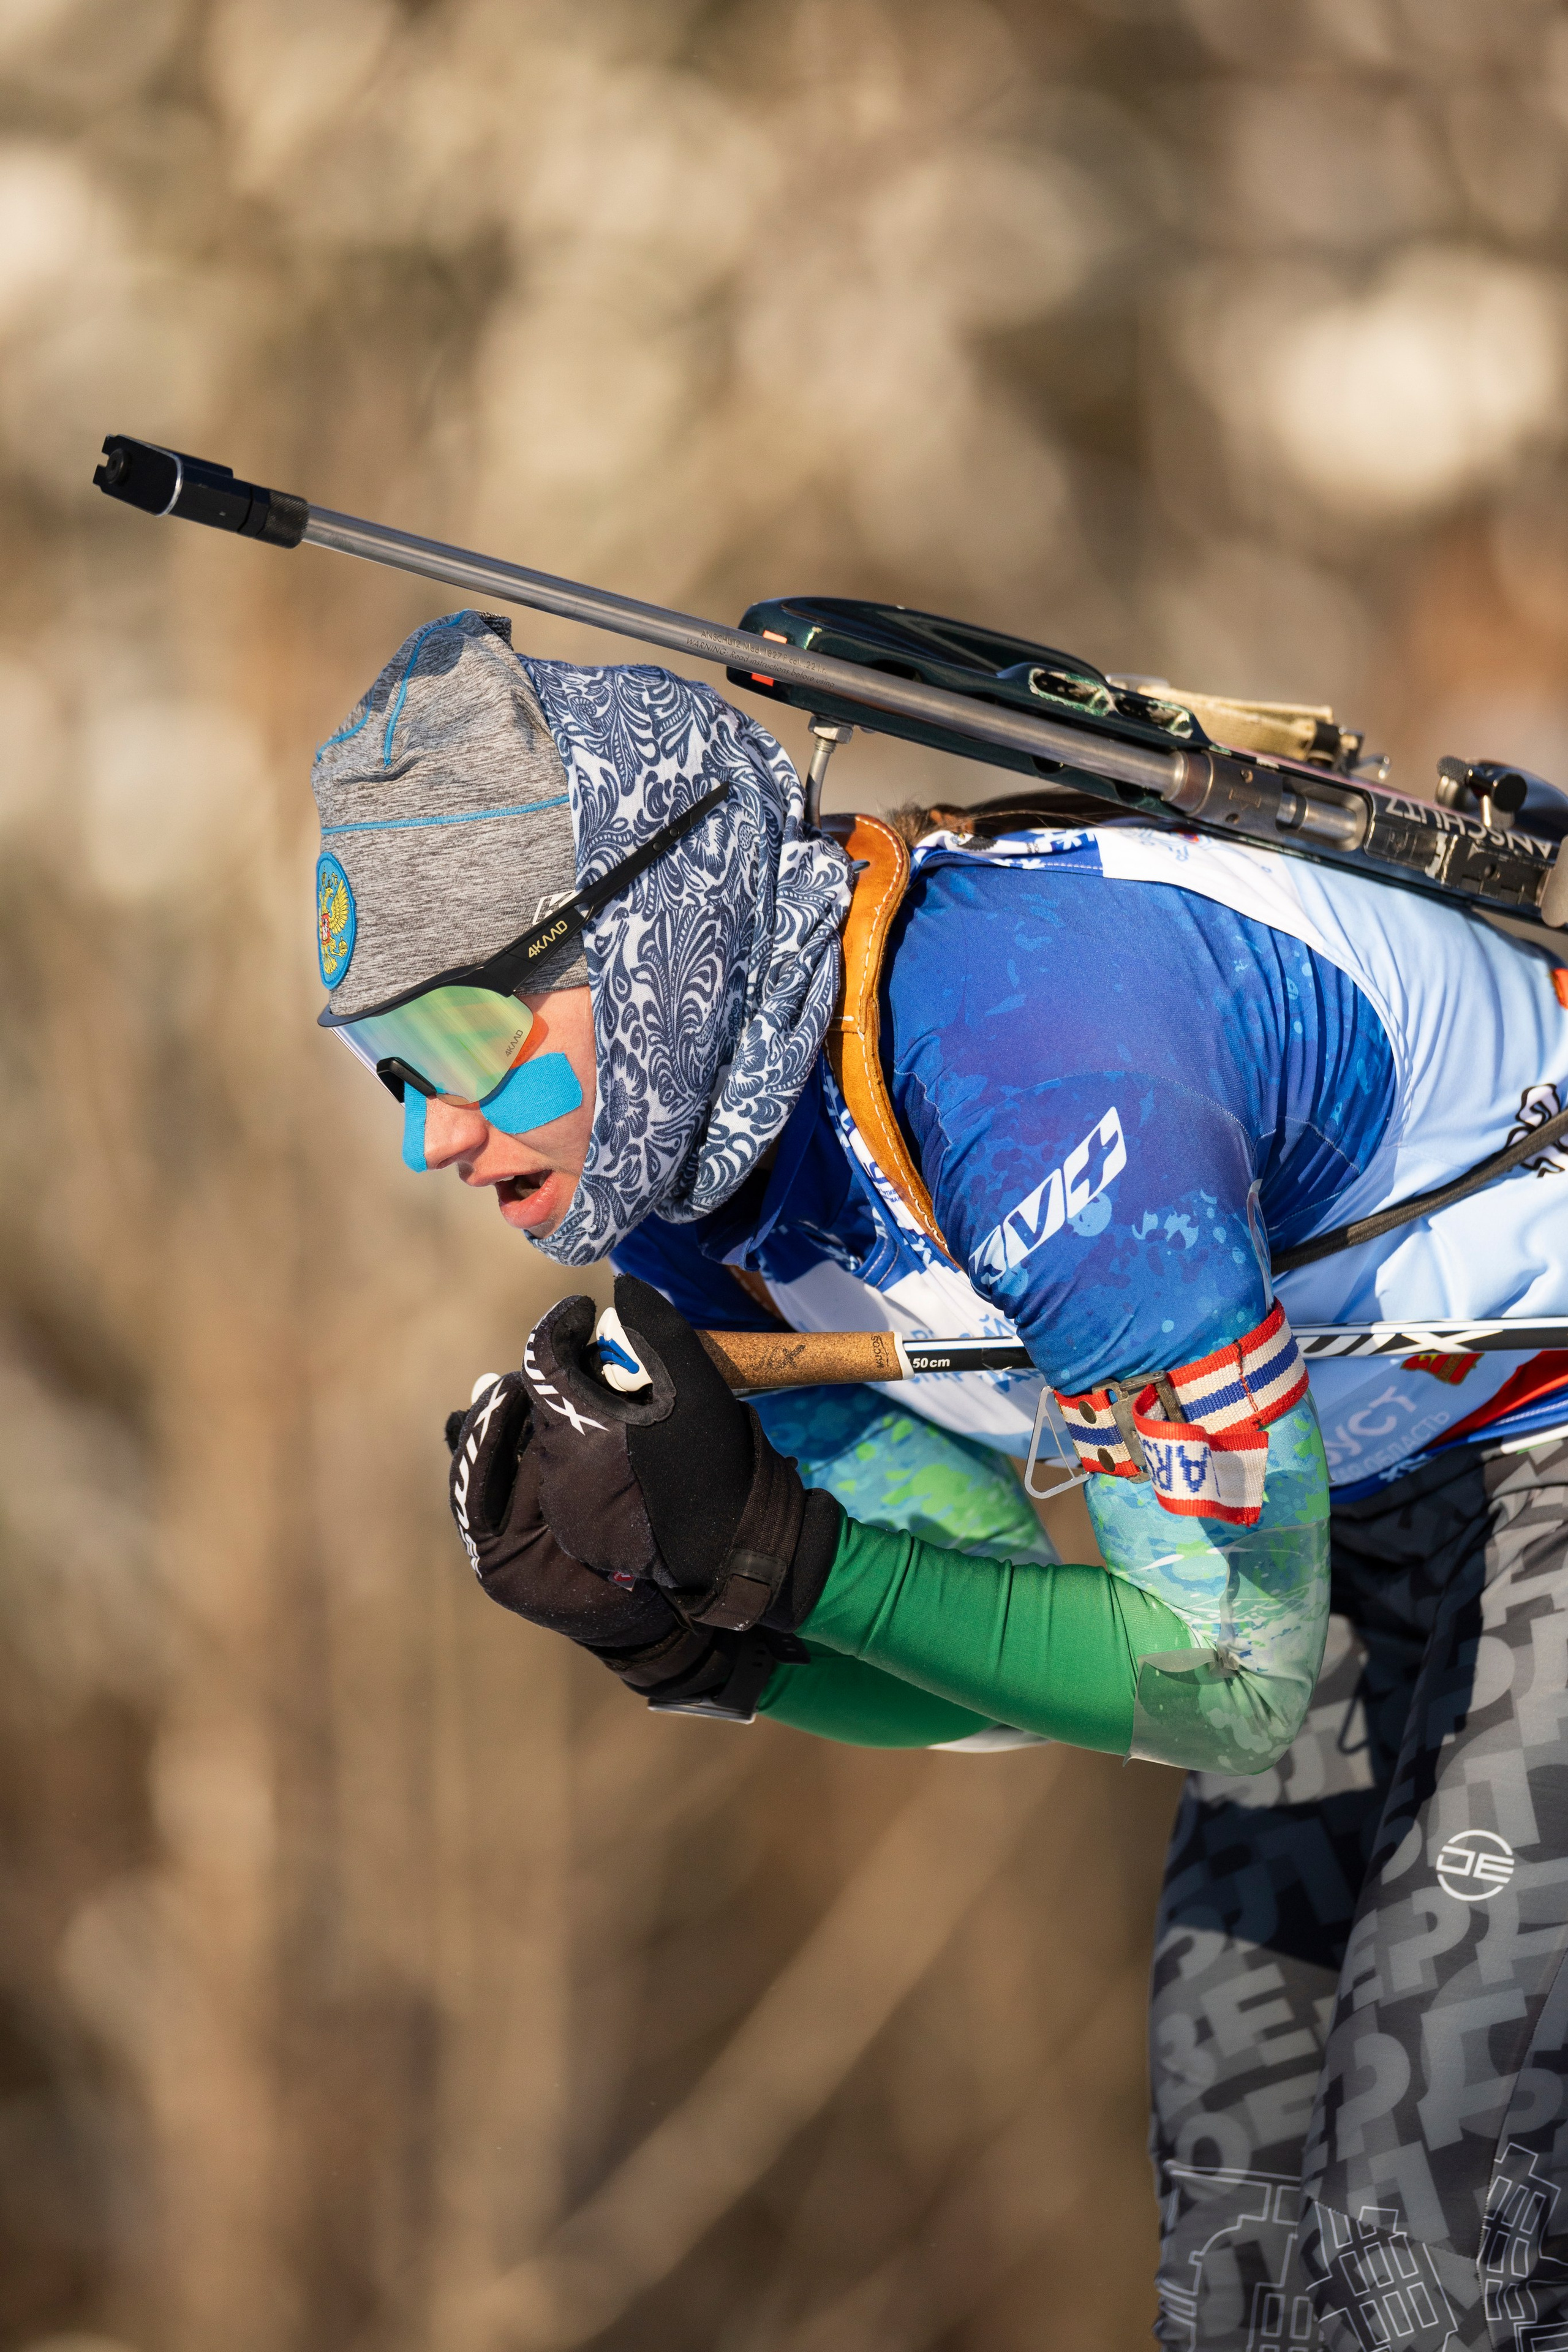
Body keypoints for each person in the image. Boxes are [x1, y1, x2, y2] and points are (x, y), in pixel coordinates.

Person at [313, 608, 1568, 2350]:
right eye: (385, 1067)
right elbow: (1006, 1671)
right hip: (1352, 1506)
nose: (428, 1133)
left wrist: (793, 1566)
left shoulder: (1023, 1046)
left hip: (1527, 1445)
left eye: (463, 1039)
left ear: (652, 931)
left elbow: (1220, 1679)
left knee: (1438, 2195)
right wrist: (708, 1633)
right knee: (1243, 2225)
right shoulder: (704, 1215)